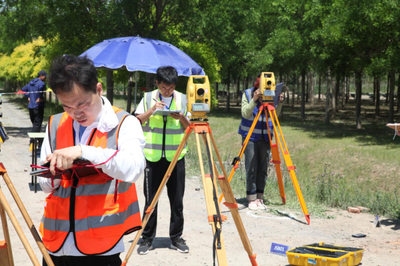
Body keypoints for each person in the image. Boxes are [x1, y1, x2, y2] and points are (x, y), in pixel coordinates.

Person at [38, 55, 146, 266]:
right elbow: (45, 185)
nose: (76, 113)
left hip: (101, 248)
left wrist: (84, 152)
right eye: (67, 106)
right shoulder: (55, 124)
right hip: (55, 245)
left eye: (82, 104)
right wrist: (54, 173)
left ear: (98, 89)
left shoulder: (124, 123)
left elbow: (133, 168)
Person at [135, 66, 190, 255]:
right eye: (164, 87)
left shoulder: (182, 98)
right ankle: (147, 238)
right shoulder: (148, 97)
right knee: (151, 200)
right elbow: (137, 121)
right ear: (157, 83)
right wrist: (152, 110)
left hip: (176, 157)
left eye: (171, 87)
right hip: (153, 157)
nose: (168, 91)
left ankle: (176, 237)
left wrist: (181, 117)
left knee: (177, 200)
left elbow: (190, 127)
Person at [238, 76, 283, 211]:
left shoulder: (271, 95)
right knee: (251, 166)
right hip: (250, 136)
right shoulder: (247, 94)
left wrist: (278, 103)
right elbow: (245, 113)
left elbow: (274, 115)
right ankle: (251, 197)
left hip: (266, 136)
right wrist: (254, 100)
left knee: (263, 167)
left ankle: (259, 196)